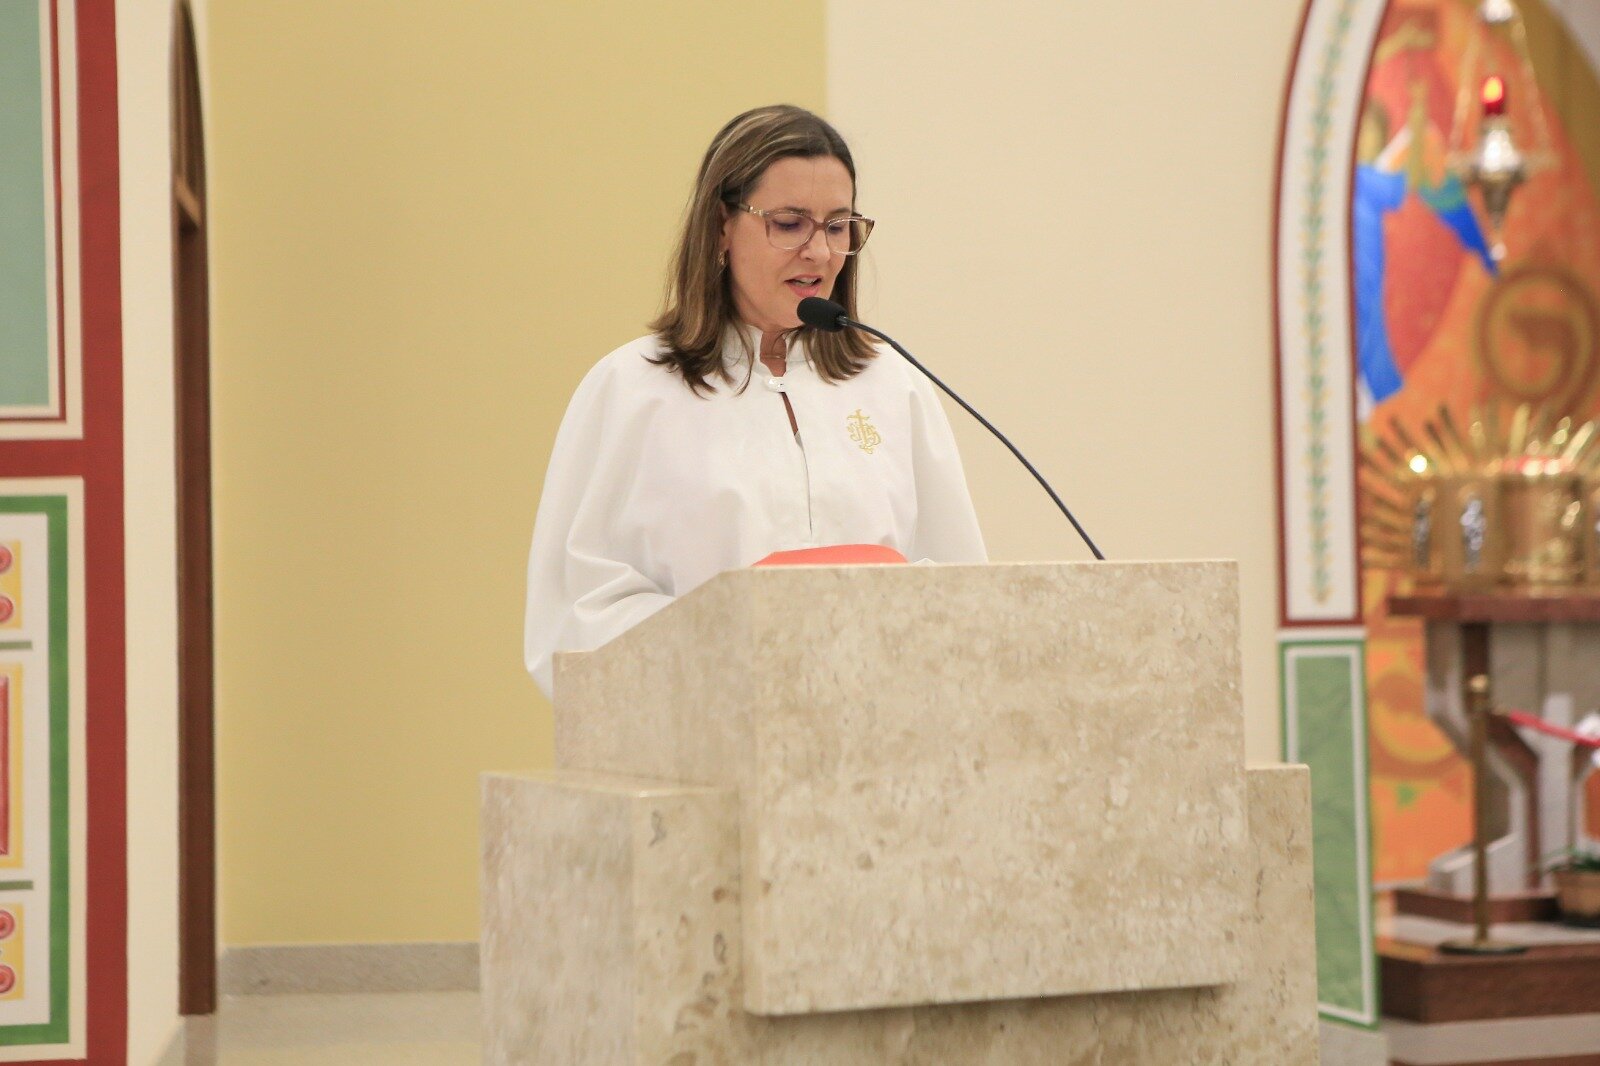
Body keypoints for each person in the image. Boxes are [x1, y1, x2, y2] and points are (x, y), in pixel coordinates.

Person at [523, 104, 986, 697]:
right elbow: (576, 617)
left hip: (878, 732)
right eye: (789, 223)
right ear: (721, 226)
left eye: (838, 226)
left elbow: (963, 596)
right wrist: (740, 637)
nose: (819, 253)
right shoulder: (631, 390)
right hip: (703, 734)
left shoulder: (894, 385)